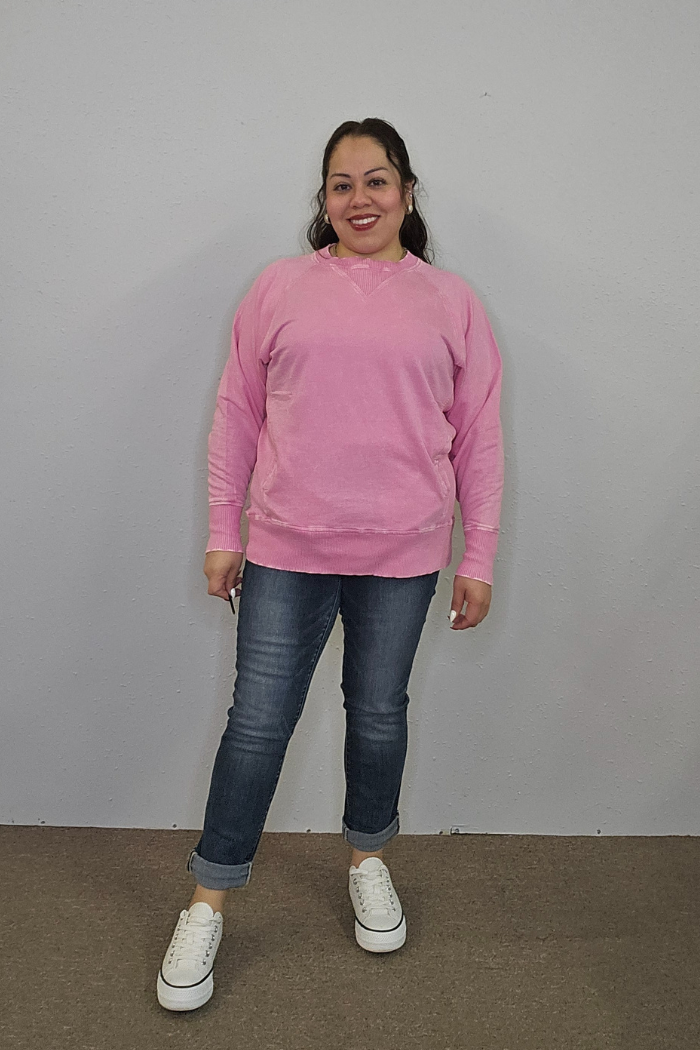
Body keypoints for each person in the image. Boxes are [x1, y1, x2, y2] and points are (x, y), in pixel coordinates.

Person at [157, 117, 505, 1012]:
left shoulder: (452, 301)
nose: (360, 199)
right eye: (342, 184)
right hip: (285, 546)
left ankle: (368, 858)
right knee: (258, 725)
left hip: (405, 553)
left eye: (377, 180)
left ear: (408, 193)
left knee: (380, 715)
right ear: (324, 200)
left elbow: (480, 439)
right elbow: (237, 413)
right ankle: (208, 898)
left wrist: (483, 554)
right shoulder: (279, 288)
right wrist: (222, 531)